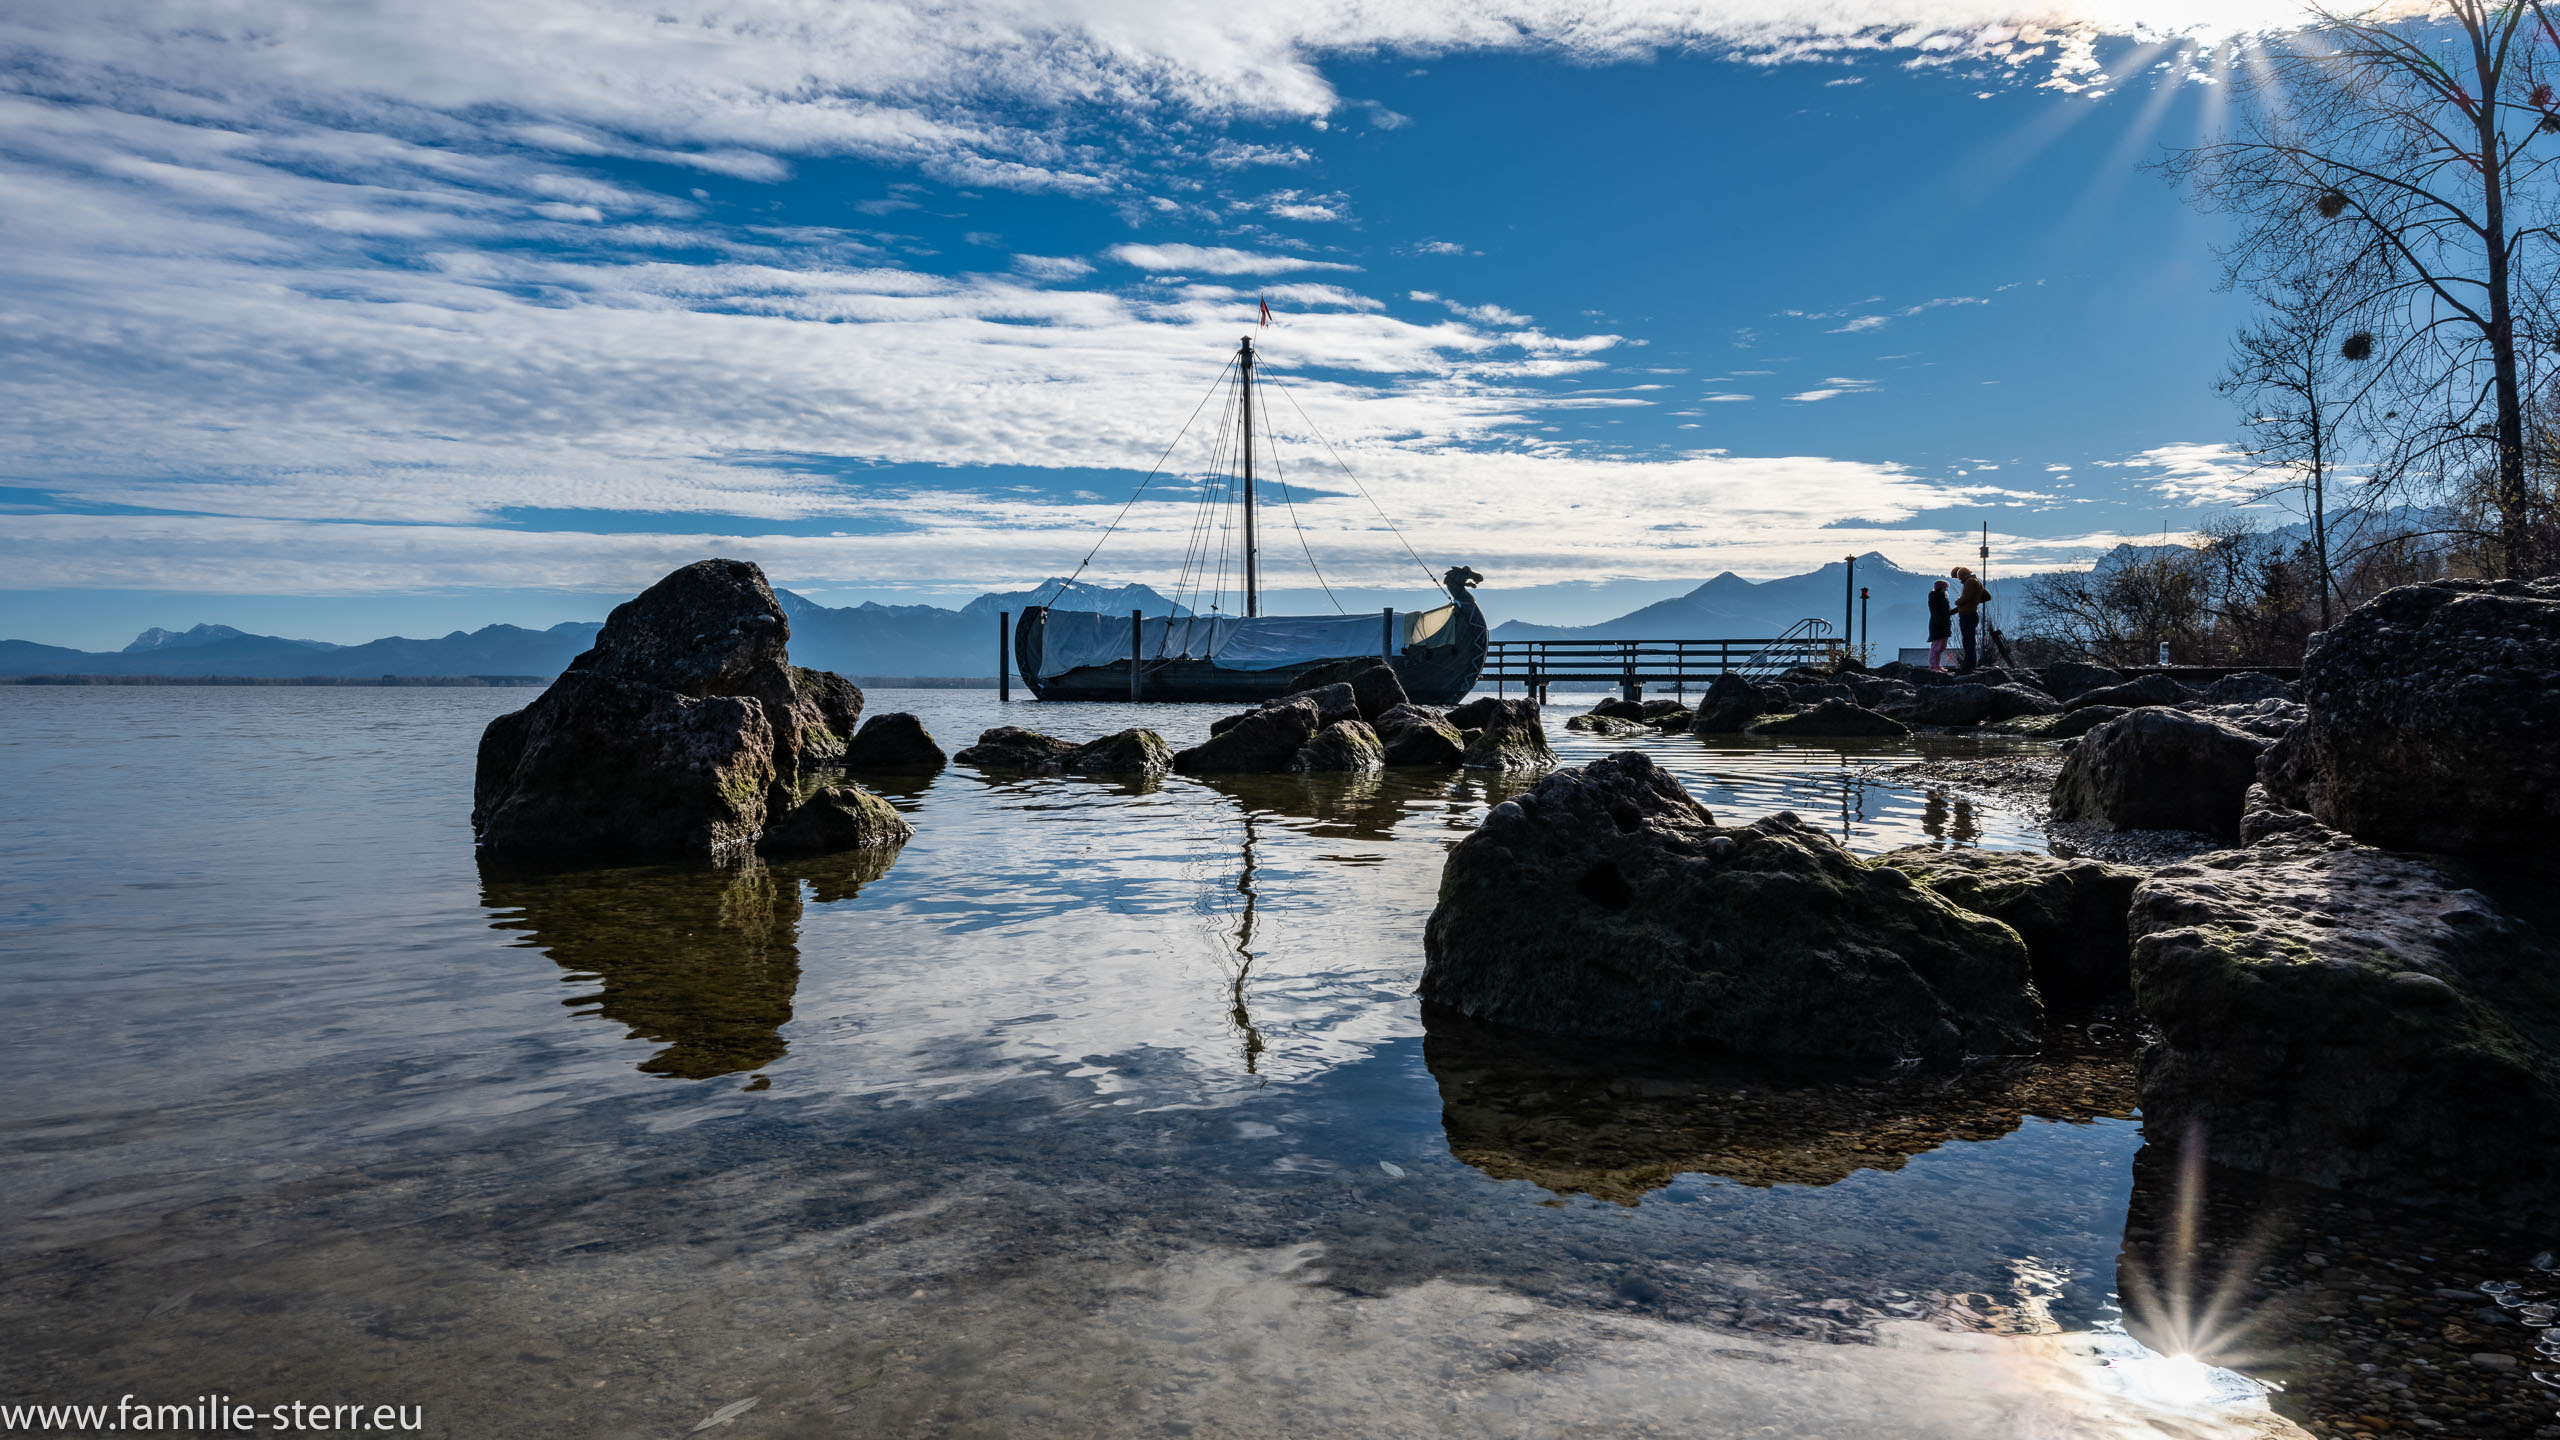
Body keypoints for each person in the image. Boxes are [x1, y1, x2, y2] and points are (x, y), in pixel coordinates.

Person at [1950, 565, 1991, 671]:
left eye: (1960, 578)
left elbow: (1966, 598)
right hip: (1973, 613)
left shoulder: (1969, 582)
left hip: (1967, 615)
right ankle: (1970, 662)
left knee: (1967, 640)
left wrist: (1957, 601)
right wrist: (1975, 600)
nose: (1959, 581)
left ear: (1963, 575)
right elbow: (1987, 596)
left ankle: (1969, 664)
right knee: (1970, 639)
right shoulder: (1976, 581)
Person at [1925, 580, 1953, 672]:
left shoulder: (1942, 598)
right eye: (1945, 588)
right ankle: (1933, 666)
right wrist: (1940, 623)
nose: (1946, 589)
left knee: (1941, 647)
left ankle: (1937, 665)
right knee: (1936, 647)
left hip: (1943, 625)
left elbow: (1946, 613)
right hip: (1938, 626)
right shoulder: (1935, 598)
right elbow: (1936, 613)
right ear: (1941, 588)